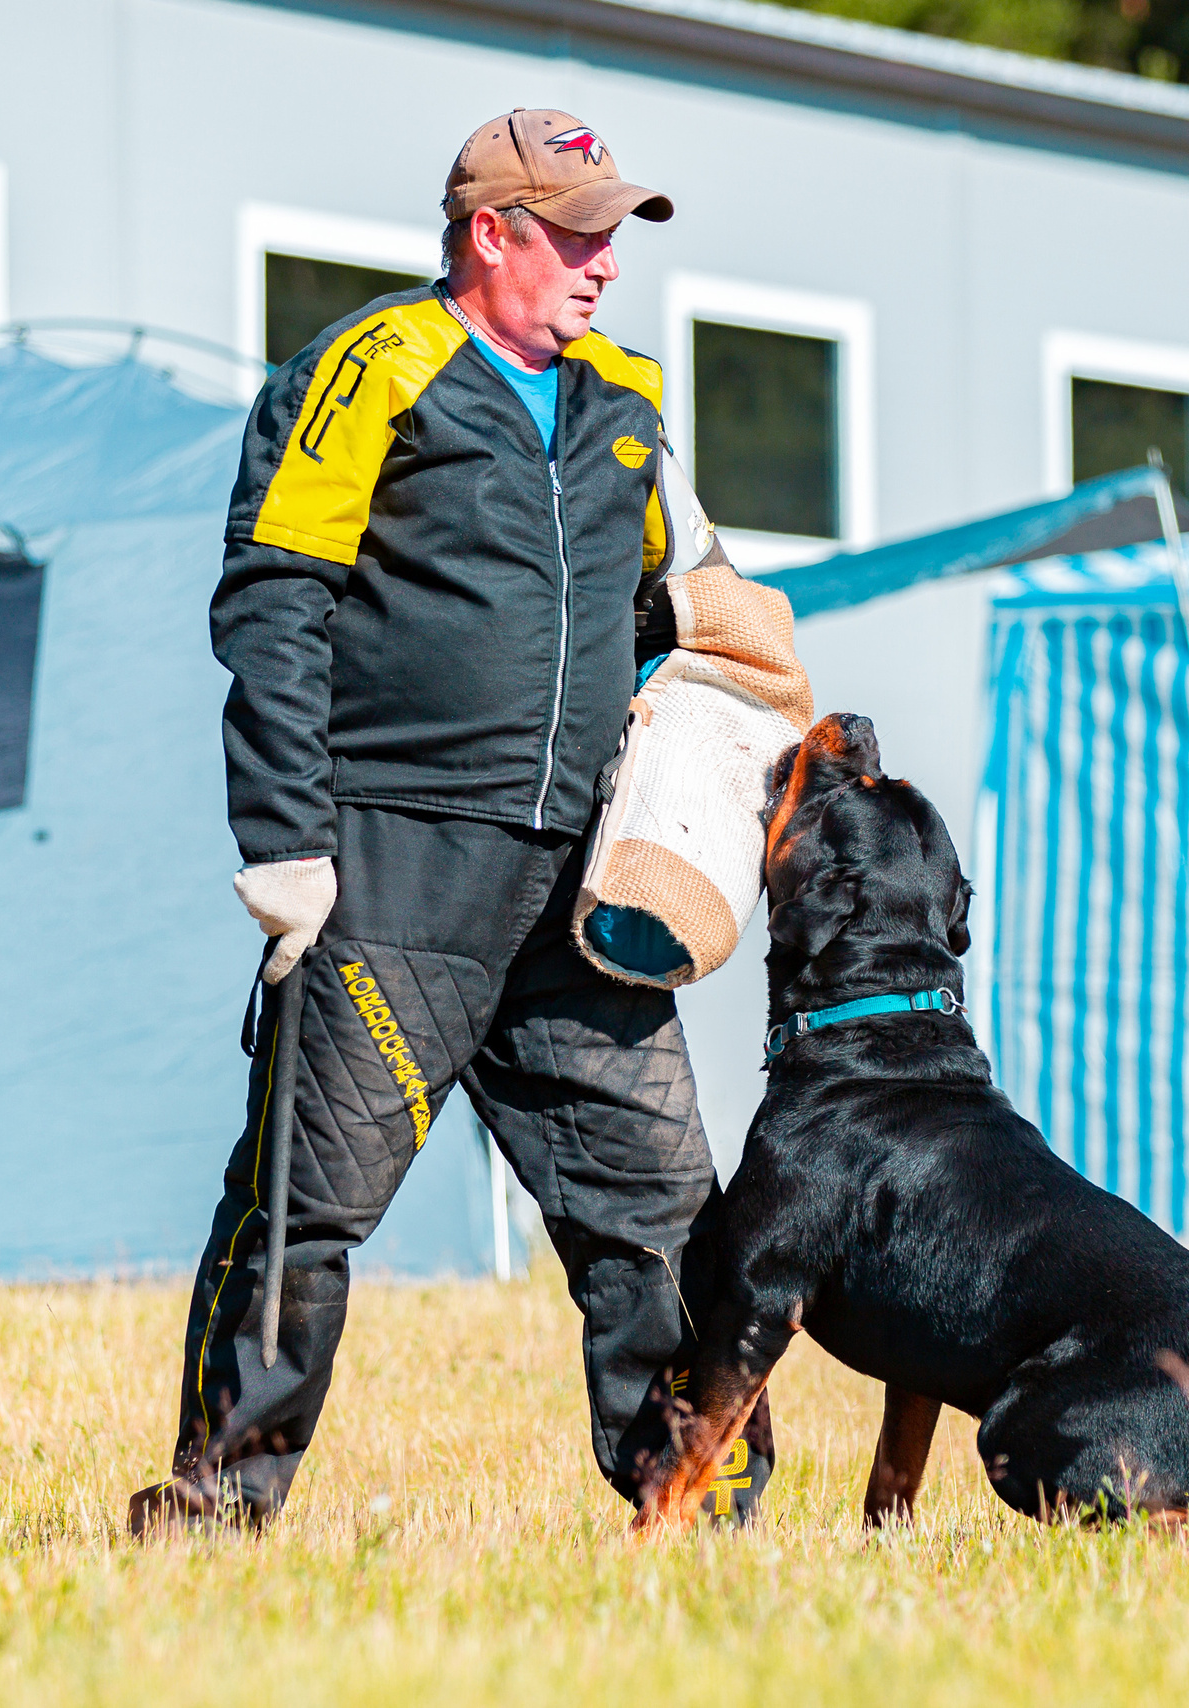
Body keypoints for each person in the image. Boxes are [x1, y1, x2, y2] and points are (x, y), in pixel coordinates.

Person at [130, 109, 792, 1532]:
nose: (604, 263)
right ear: (489, 232)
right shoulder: (373, 371)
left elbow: (706, 606)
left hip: (583, 893)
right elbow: (274, 600)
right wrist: (283, 836)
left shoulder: (626, 405)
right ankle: (217, 1511)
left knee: (666, 1217)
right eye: (575, 233)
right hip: (391, 879)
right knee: (304, 1209)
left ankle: (700, 1510)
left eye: (616, 233)